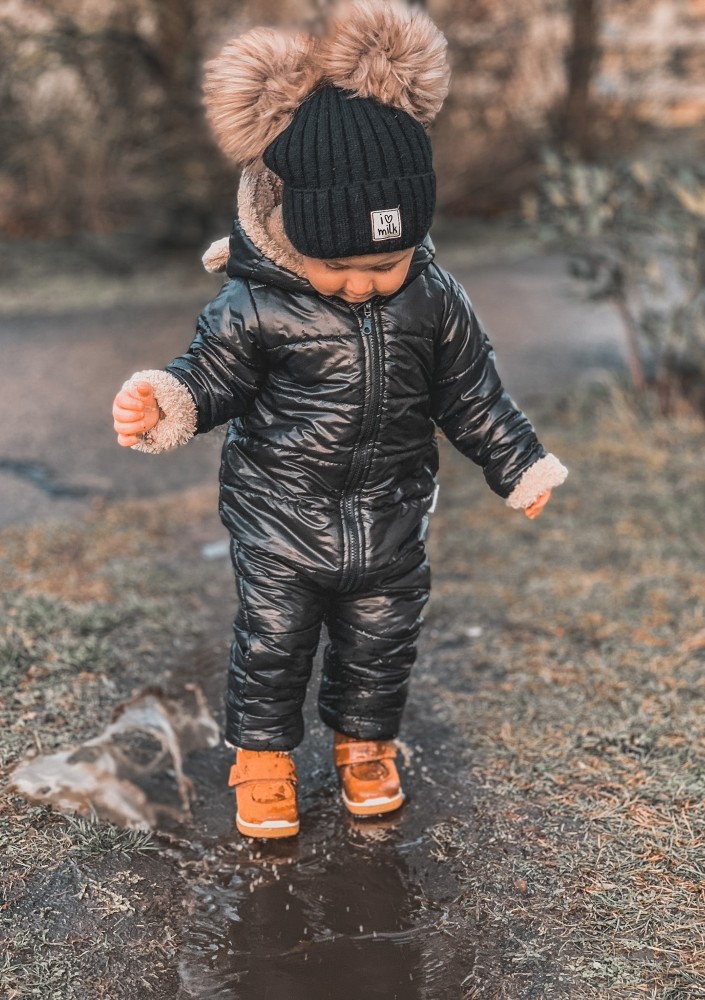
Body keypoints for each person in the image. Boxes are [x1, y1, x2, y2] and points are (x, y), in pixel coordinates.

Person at [112, 0, 567, 840]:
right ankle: (263, 759)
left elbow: (470, 391)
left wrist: (519, 465)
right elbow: (209, 374)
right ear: (291, 233)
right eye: (339, 268)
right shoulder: (251, 303)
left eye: (386, 264)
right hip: (280, 519)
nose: (364, 285)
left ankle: (365, 746)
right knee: (274, 643)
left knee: (381, 643)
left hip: (390, 517)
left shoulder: (432, 299)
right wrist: (168, 401)